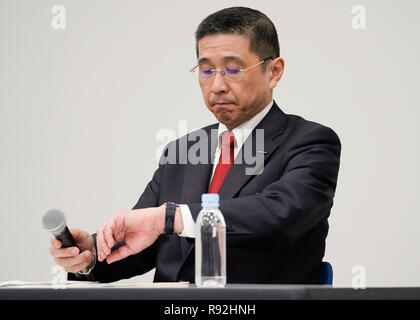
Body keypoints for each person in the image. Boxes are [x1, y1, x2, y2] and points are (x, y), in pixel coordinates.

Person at [49, 6, 341, 284]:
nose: (217, 86)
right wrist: (90, 256)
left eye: (233, 69)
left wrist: (171, 217)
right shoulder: (183, 150)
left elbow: (280, 214)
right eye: (206, 71)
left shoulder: (310, 141)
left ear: (274, 71)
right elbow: (141, 244)